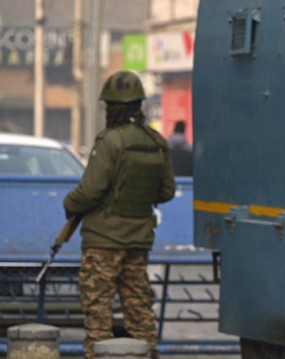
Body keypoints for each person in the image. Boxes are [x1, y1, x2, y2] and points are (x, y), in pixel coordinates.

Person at [63, 70, 175, 359]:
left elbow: (89, 191)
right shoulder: (156, 142)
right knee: (140, 316)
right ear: (139, 105)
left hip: (102, 244)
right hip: (137, 243)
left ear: (112, 107)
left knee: (98, 321)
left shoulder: (110, 141)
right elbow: (166, 193)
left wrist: (69, 204)